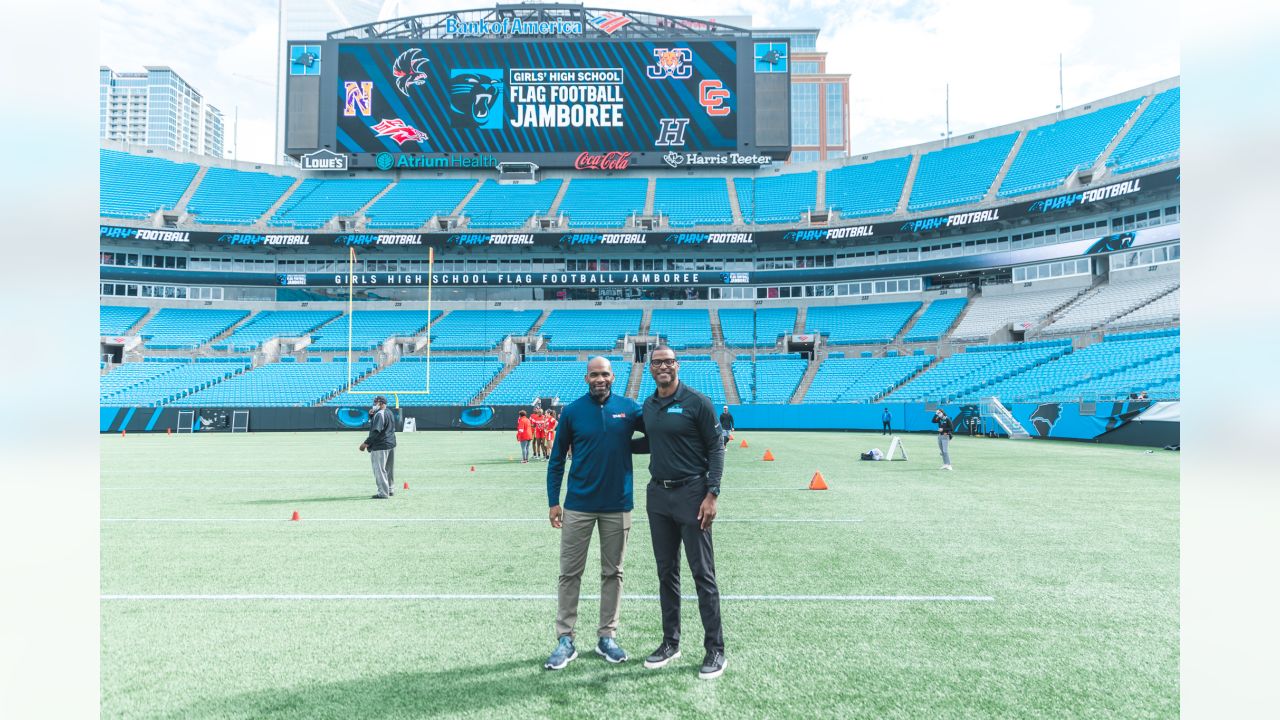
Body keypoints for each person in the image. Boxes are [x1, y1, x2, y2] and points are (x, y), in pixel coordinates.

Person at [544, 357, 646, 671]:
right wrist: (553, 501)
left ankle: (607, 637)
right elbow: (557, 458)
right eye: (594, 374)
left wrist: (627, 447)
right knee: (569, 573)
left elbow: (658, 434)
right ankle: (565, 639)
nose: (599, 379)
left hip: (618, 504)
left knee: (612, 572)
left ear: (613, 376)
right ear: (586, 378)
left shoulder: (629, 408)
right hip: (578, 505)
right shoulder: (573, 411)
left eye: (604, 374)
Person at [636, 347, 727, 680]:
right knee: (666, 573)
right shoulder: (649, 405)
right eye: (657, 362)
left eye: (669, 362)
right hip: (658, 495)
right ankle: (670, 642)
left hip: (692, 494)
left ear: (677, 366)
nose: (663, 366)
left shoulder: (697, 402)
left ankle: (715, 649)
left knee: (702, 573)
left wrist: (712, 493)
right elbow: (651, 441)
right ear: (650, 368)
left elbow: (716, 447)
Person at [359, 396, 397, 498]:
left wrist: (365, 444)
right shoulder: (389, 412)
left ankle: (383, 493)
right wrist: (372, 416)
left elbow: (376, 431)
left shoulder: (380, 414)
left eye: (375, 402)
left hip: (380, 446)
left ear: (380, 403)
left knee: (379, 470)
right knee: (389, 469)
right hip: (391, 444)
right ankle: (390, 489)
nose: (374, 404)